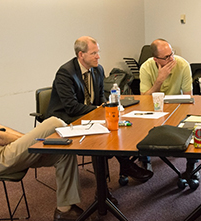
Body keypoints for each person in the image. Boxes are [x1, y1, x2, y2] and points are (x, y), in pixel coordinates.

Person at [0, 50, 99, 221]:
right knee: (54, 122)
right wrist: (32, 141)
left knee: (63, 152)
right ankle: (90, 147)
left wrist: (29, 140)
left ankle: (65, 211)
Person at [47, 36, 153, 189]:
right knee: (105, 131)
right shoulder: (66, 73)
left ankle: (125, 164)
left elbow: (100, 96)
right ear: (81, 55)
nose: (98, 56)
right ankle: (105, 187)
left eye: (98, 52)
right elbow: (71, 107)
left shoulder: (98, 69)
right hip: (66, 117)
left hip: (88, 113)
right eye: (94, 53)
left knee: (114, 122)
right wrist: (100, 110)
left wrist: (106, 107)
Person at [139, 38, 199, 179]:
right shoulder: (146, 68)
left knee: (191, 122)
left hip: (178, 107)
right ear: (155, 59)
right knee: (142, 126)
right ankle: (145, 159)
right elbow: (144, 99)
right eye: (166, 57)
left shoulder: (182, 64)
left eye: (172, 54)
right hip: (153, 108)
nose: (172, 59)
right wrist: (159, 80)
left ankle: (192, 164)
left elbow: (188, 97)